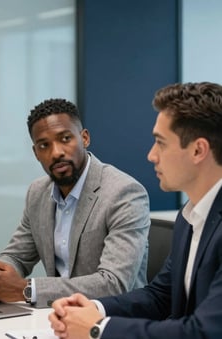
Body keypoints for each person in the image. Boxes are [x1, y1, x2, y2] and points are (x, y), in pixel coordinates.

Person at [49, 82, 222, 339]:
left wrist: (97, 329)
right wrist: (93, 308)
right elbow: (161, 295)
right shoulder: (191, 215)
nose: (151, 155)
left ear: (198, 150)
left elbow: (205, 332)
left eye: (160, 143)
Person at [0, 98, 150, 308]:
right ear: (35, 153)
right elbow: (17, 256)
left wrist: (27, 290)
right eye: (44, 145)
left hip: (112, 321)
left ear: (84, 138)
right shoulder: (38, 192)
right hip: (56, 317)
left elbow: (114, 283)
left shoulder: (123, 193)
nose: (56, 152)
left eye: (65, 138)